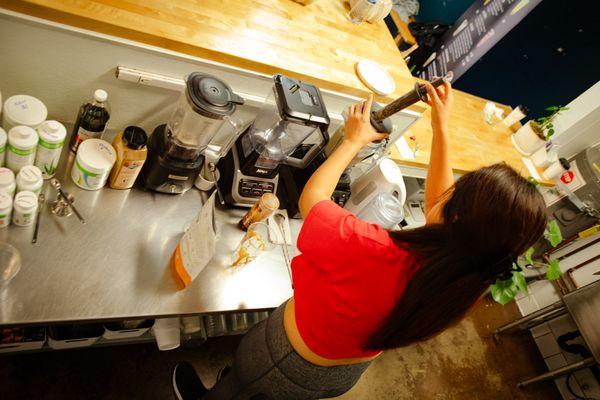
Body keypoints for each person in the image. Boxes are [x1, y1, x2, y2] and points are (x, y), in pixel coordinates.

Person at [171, 81, 548, 400]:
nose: (448, 193)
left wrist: (353, 141)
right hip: (342, 372)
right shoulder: (468, 272)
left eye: (458, 193)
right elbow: (438, 205)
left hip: (286, 355)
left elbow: (312, 200)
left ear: (459, 217)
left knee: (244, 382)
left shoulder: (373, 248)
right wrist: (441, 126)